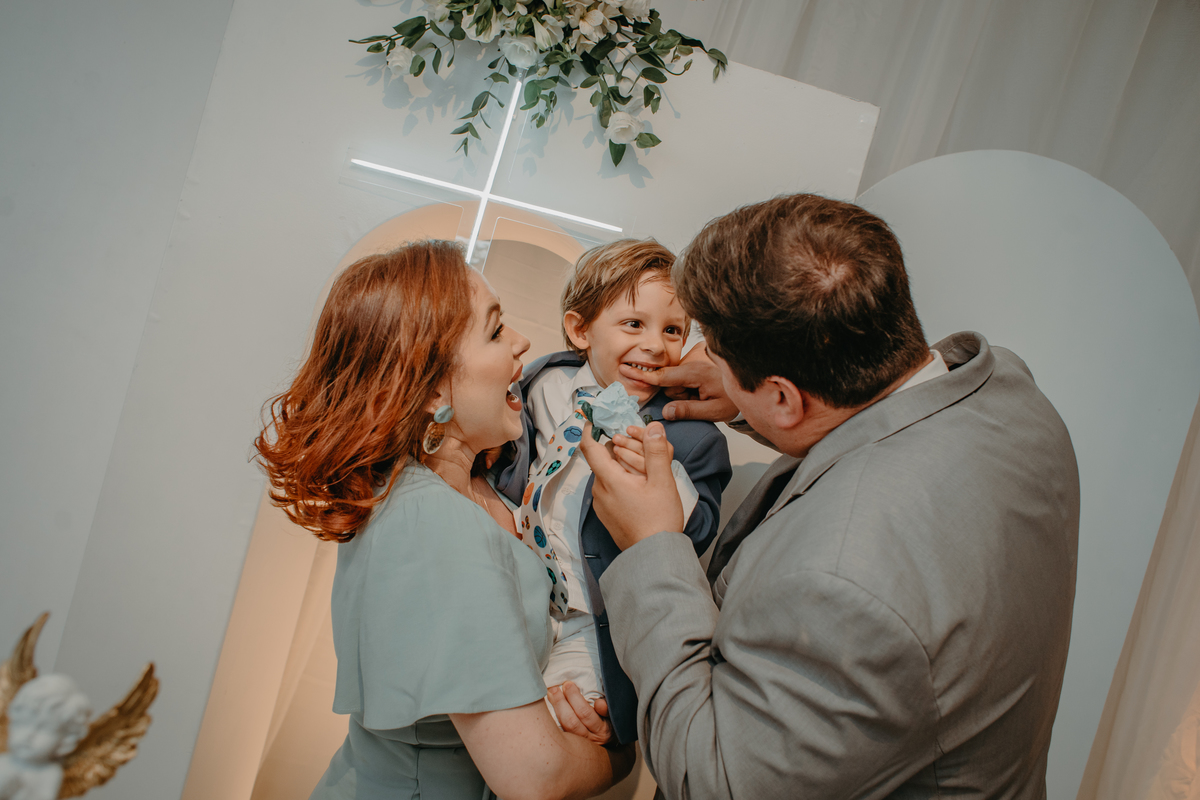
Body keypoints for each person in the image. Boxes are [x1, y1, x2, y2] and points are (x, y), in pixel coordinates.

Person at [575, 194, 1080, 798]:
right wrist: (748, 398)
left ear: (784, 397)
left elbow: (714, 781)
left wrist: (652, 545)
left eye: (718, 354)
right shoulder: (1007, 392)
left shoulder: (845, 585)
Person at [254, 241, 632, 800]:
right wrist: (623, 753)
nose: (522, 342)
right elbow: (535, 776)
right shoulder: (432, 523)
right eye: (496, 331)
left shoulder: (479, 490)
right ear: (432, 389)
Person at [495, 239, 732, 746]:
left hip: (591, 618)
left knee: (552, 726)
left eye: (672, 330)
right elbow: (506, 456)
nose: (655, 345)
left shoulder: (693, 437)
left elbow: (697, 532)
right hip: (519, 591)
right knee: (489, 702)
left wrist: (665, 475)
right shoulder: (544, 383)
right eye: (633, 324)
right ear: (580, 330)